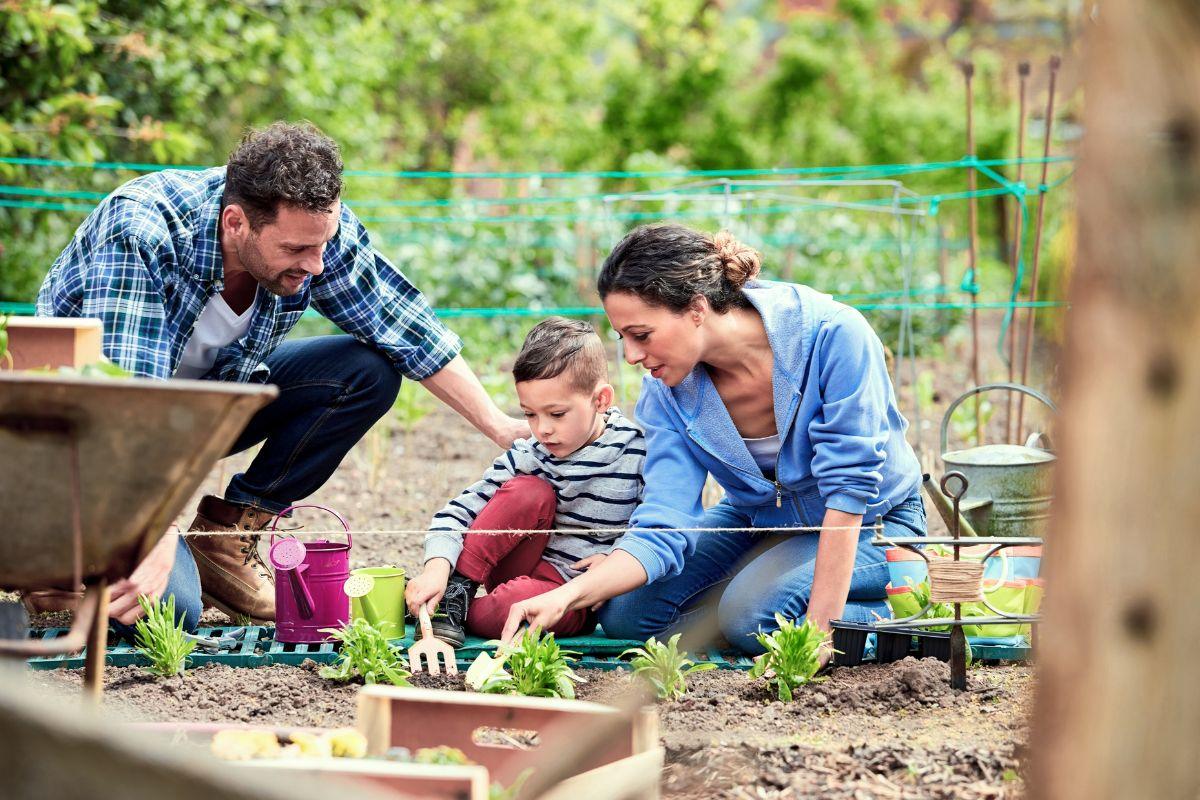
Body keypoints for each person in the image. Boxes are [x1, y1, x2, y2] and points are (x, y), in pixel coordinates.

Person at [32, 122, 527, 634]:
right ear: (236, 222)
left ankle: (223, 542)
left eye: (322, 245)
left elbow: (403, 326)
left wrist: (499, 425)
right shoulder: (143, 230)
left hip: (198, 411)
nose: (315, 265)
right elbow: (122, 404)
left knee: (365, 373)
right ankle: (56, 555)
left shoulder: (313, 232)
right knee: (170, 610)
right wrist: (153, 537)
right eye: (295, 251)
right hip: (79, 441)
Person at [498, 224, 926, 658]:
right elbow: (665, 517)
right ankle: (758, 592)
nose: (629, 356)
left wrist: (819, 634)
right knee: (627, 615)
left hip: (876, 523)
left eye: (641, 335)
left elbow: (849, 491)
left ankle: (913, 608)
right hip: (758, 520)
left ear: (697, 309)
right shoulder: (667, 390)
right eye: (621, 337)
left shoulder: (833, 335)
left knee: (753, 619)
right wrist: (568, 595)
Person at [404, 317, 646, 644]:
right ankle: (453, 592)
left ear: (600, 400)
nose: (542, 429)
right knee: (529, 491)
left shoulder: (636, 452)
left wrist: (617, 559)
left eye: (556, 414)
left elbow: (655, 524)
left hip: (572, 594)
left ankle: (432, 608)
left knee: (512, 608)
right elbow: (458, 512)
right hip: (516, 562)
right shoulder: (531, 453)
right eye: (530, 414)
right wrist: (437, 567)